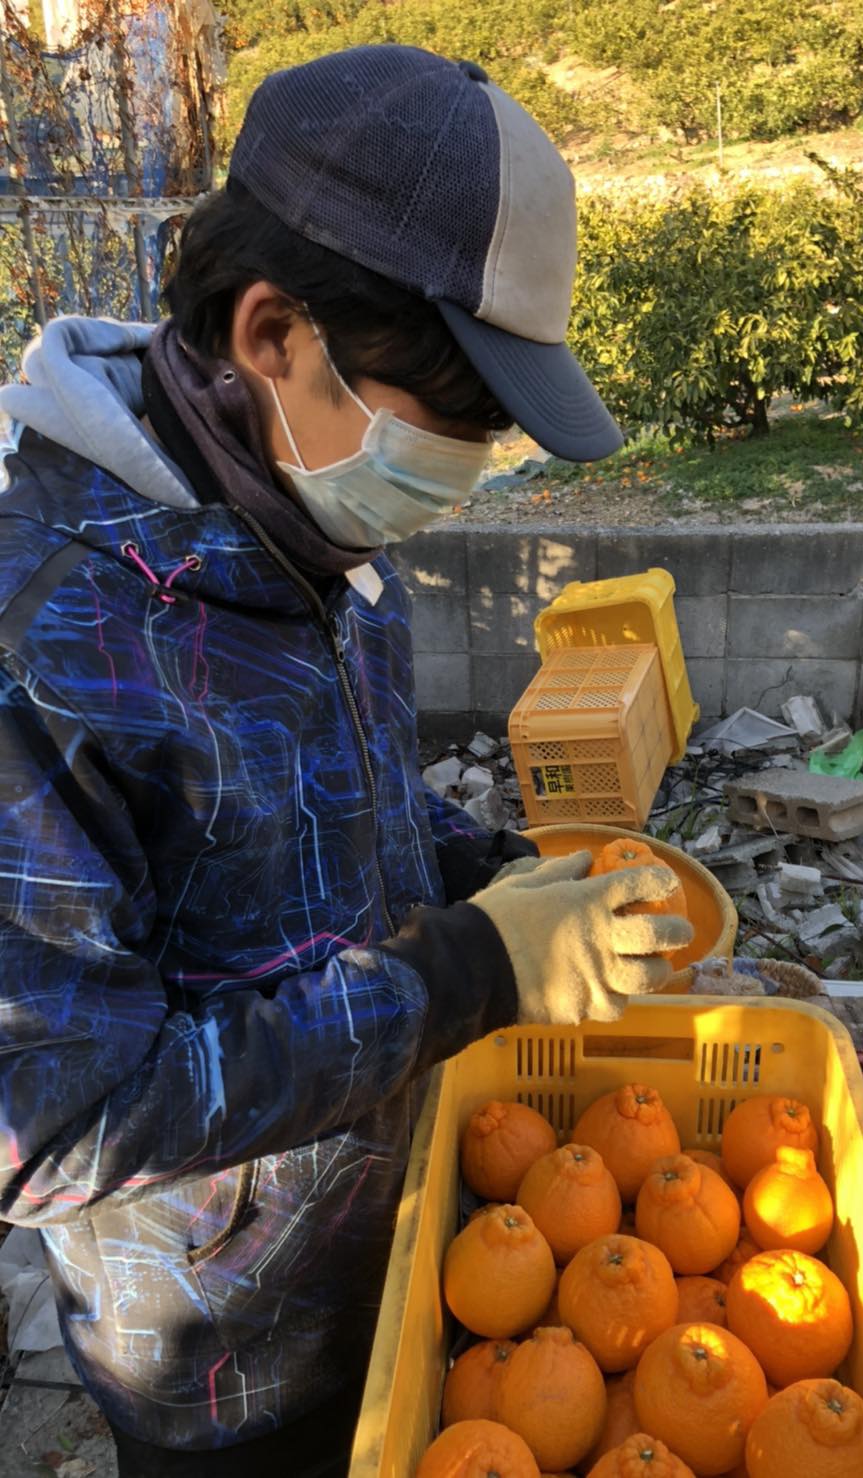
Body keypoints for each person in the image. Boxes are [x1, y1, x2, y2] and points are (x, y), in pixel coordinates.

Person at [0, 44, 691, 1478]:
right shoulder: (45, 639)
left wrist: (507, 878)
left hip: (419, 1246)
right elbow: (54, 1122)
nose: (469, 468)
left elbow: (337, 815)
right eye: (454, 423)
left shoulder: (318, 518)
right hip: (224, 1361)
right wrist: (469, 973)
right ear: (272, 333)